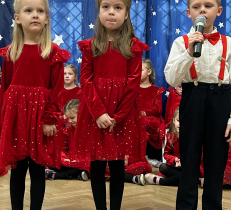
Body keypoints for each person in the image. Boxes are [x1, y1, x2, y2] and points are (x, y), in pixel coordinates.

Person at [164, 0, 231, 209]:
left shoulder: (229, 43)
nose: (202, 10)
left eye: (208, 6)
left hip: (220, 100)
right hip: (193, 98)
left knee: (216, 162)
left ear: (218, 11)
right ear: (188, 12)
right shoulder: (180, 42)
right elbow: (171, 78)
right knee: (189, 159)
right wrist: (188, 53)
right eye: (196, 6)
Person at [69, 0, 149, 209]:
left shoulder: (133, 46)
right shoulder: (91, 45)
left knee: (116, 165)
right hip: (95, 113)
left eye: (118, 7)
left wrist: (118, 116)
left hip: (121, 114)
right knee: (96, 164)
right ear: (99, 11)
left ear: (127, 13)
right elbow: (85, 80)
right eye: (106, 7)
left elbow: (133, 84)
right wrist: (99, 114)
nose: (111, 12)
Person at [0, 0, 71, 209]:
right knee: (17, 170)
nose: (35, 15)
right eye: (29, 11)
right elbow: (6, 90)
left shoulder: (52, 52)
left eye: (40, 11)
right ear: (18, 18)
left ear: (46, 19)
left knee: (37, 170)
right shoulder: (11, 52)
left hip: (40, 120)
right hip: (17, 119)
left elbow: (57, 91)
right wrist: (3, 124)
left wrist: (49, 119)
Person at [45, 99, 89, 181]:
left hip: (86, 162)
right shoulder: (68, 131)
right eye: (68, 118)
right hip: (71, 160)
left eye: (72, 118)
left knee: (88, 166)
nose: (70, 121)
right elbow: (62, 149)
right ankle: (80, 174)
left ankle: (56, 175)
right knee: (53, 162)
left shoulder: (90, 131)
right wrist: (61, 158)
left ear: (82, 114)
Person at [140, 58, 165, 168]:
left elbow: (158, 109)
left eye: (141, 70)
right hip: (136, 118)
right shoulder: (133, 89)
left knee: (145, 122)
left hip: (151, 119)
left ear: (149, 72)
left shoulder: (156, 90)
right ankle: (136, 156)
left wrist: (145, 112)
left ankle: (151, 157)